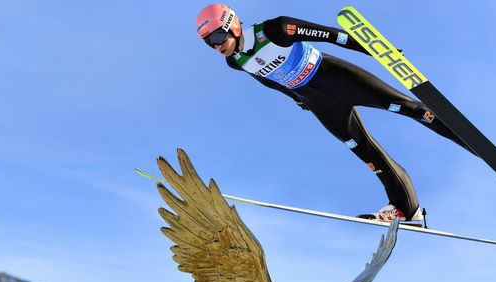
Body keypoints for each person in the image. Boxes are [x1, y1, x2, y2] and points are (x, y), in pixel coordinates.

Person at [196, 4, 475, 224]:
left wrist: (377, 51)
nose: (216, 45)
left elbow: (334, 35)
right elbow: (268, 80)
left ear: (232, 24)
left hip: (335, 77)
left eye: (218, 36)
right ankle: (406, 209)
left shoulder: (276, 29)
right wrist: (296, 98)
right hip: (318, 102)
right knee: (366, 153)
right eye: (209, 43)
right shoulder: (235, 62)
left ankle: (472, 143)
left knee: (408, 108)